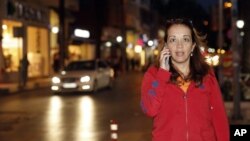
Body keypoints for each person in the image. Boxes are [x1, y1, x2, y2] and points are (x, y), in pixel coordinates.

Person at [140, 18, 229, 141]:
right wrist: (162, 74)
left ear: (193, 46)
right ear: (166, 46)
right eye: (173, 40)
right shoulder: (153, 74)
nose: (179, 45)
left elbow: (219, 117)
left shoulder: (206, 75)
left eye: (185, 39)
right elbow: (149, 109)